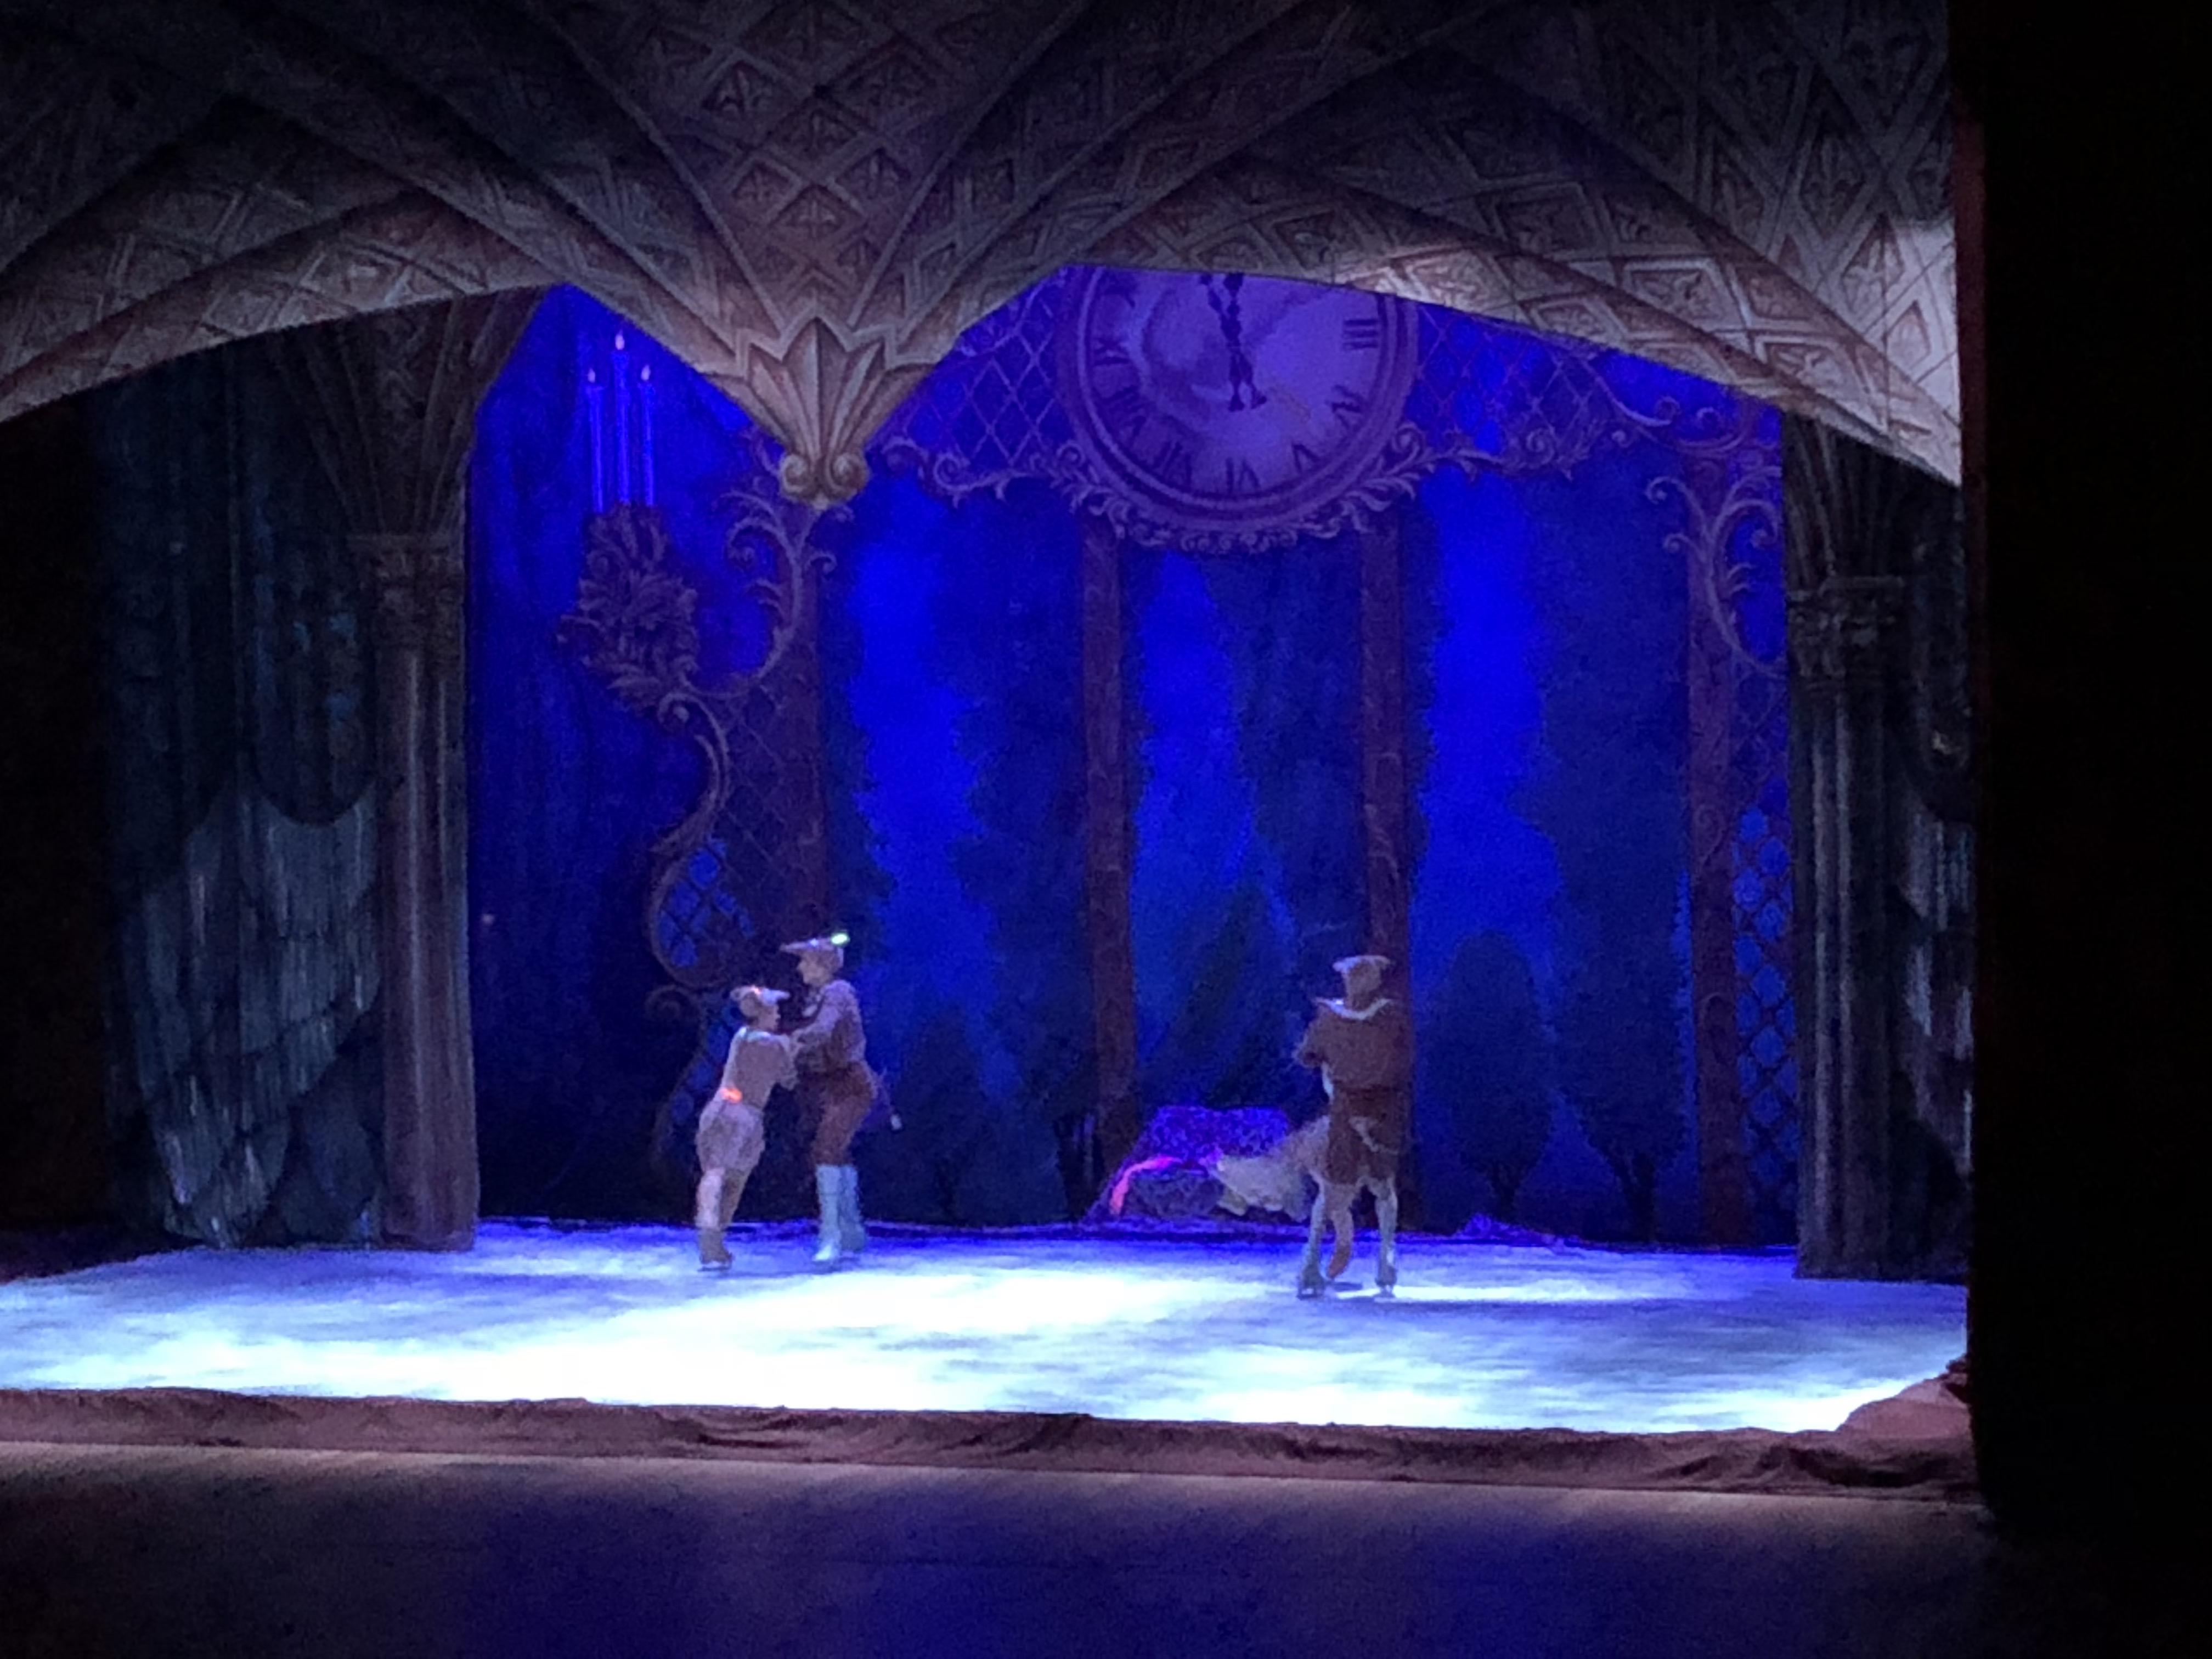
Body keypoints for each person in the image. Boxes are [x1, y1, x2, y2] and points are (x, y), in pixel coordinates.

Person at [1290, 953, 1413, 1298]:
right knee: (1334, 1188)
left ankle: (1386, 1256)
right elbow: (1312, 1057)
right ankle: (1311, 1261)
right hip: (1347, 1110)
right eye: (1355, 975)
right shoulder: (1331, 1018)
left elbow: (1399, 1064)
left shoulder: (1389, 1017)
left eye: (1366, 975)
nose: (1359, 981)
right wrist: (1334, 1084)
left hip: (1378, 1109)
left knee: (1381, 1185)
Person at [782, 933, 877, 1266]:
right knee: (836, 1150)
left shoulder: (838, 993)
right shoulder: (820, 996)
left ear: (822, 965)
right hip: (834, 1084)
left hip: (852, 1084)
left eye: (805, 961)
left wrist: (795, 1040)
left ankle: (832, 1235)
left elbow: (824, 1030)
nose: (800, 968)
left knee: (826, 1149)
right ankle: (851, 1230)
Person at [694, 985, 798, 1269]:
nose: (778, 1015)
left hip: (729, 1109)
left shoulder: (741, 1036)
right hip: (742, 1114)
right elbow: (789, 1080)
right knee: (727, 1175)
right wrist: (793, 1049)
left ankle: (712, 1234)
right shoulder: (775, 1045)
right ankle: (712, 1230)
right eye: (774, 1011)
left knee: (722, 1173)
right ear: (763, 1013)